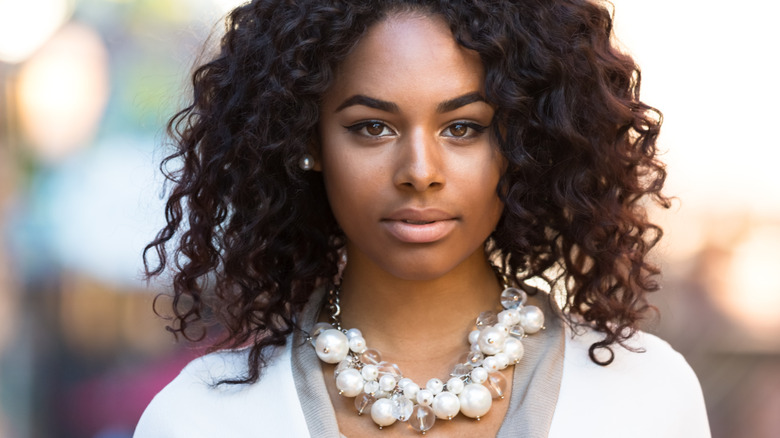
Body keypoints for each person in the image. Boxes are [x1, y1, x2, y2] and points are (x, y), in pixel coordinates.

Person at [135, 0, 710, 436]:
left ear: (527, 143)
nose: (420, 170)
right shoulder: (200, 419)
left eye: (464, 127)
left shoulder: (647, 399)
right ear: (307, 141)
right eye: (371, 127)